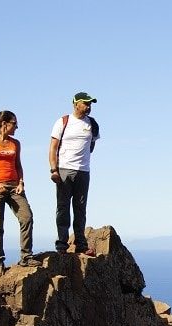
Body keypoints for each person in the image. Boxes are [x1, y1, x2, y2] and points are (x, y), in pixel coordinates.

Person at [0, 110, 41, 277]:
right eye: (15, 124)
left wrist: (21, 183)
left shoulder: (16, 143)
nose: (17, 127)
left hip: (14, 187)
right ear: (4, 124)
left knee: (27, 217)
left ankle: (26, 256)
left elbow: (18, 165)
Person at [48, 91, 100, 255]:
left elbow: (91, 146)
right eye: (85, 103)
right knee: (63, 207)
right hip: (64, 170)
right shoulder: (63, 122)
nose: (88, 106)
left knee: (80, 208)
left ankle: (81, 244)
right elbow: (53, 147)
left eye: (90, 103)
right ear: (75, 104)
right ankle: (62, 244)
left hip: (83, 171)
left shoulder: (92, 124)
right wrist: (54, 169)